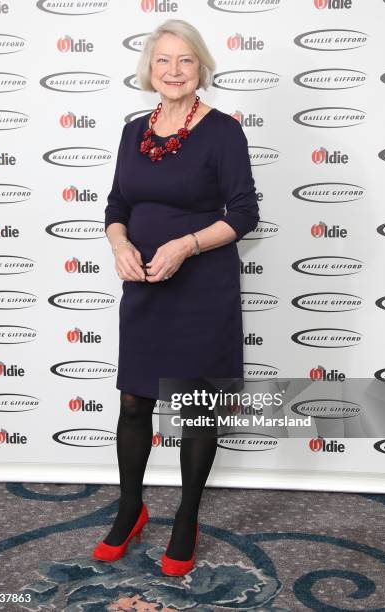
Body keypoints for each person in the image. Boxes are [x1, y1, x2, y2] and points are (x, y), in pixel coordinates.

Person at [92, 18, 259, 576]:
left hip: (201, 288)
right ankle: (131, 508)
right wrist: (119, 244)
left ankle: (186, 518)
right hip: (142, 285)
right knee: (134, 401)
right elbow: (117, 204)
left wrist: (186, 245)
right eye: (163, 60)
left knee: (194, 408)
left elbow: (244, 213)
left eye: (185, 60)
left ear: (201, 67)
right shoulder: (133, 130)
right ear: (149, 69)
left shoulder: (223, 131)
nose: (173, 70)